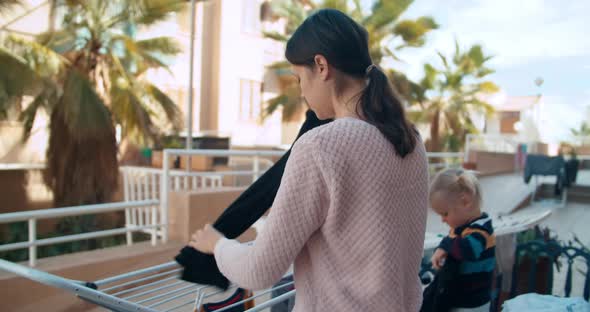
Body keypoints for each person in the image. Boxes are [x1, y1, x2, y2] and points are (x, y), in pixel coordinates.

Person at [189, 9, 428, 311]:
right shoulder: (412, 140)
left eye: (299, 78)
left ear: (321, 66)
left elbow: (259, 270)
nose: (301, 91)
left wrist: (216, 244)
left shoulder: (319, 146)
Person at [429, 169, 496, 312]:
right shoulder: (461, 228)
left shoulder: (482, 229)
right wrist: (441, 249)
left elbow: (467, 249)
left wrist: (445, 246)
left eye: (445, 213)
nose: (442, 220)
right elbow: (450, 240)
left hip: (473, 304)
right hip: (458, 299)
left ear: (465, 201)